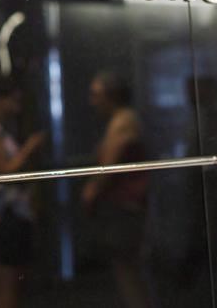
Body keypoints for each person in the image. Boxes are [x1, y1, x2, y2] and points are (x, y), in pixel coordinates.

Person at [0, 77, 45, 308]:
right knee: (7, 277)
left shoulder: (2, 130)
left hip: (15, 210)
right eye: (13, 100)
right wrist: (29, 148)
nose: (17, 107)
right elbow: (3, 170)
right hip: (4, 212)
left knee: (15, 276)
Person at [83, 71, 149, 308]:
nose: (92, 101)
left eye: (96, 94)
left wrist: (91, 191)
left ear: (111, 95)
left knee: (127, 271)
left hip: (125, 206)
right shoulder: (122, 120)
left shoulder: (123, 121)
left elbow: (107, 166)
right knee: (126, 270)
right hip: (124, 205)